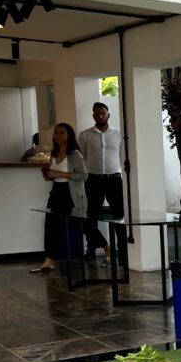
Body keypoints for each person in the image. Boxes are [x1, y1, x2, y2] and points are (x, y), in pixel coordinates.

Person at [31, 123, 86, 273]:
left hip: (71, 194)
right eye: (56, 133)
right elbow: (53, 176)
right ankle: (49, 260)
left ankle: (106, 248)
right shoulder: (53, 154)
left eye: (62, 133)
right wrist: (48, 175)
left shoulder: (75, 154)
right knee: (50, 225)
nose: (58, 135)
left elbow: (83, 175)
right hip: (56, 191)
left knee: (83, 225)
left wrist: (60, 174)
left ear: (69, 135)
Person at [78, 102, 127, 267]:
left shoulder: (118, 134)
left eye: (103, 113)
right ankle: (91, 249)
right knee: (91, 215)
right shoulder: (85, 135)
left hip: (114, 178)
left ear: (108, 115)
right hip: (93, 179)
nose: (100, 116)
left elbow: (122, 156)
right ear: (93, 116)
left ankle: (122, 252)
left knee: (119, 215)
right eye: (97, 114)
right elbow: (82, 156)